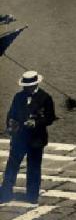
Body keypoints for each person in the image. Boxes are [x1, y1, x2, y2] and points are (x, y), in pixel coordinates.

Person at [0, 70, 55, 205]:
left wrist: (36, 123)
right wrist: (10, 126)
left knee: (34, 168)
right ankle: (5, 194)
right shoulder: (18, 97)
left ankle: (32, 196)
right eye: (24, 86)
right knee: (12, 166)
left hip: (36, 140)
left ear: (35, 85)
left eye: (27, 86)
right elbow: (11, 114)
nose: (25, 88)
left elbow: (50, 118)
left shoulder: (45, 98)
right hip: (19, 138)